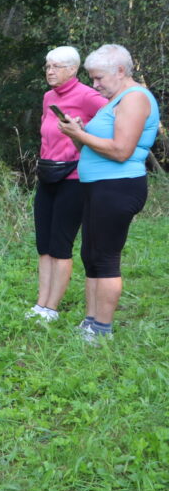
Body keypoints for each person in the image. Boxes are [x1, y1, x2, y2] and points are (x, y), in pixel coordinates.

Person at [58, 44, 160, 343]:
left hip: (118, 187)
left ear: (119, 70)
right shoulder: (114, 100)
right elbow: (91, 147)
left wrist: (81, 134)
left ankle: (102, 330)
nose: (95, 84)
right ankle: (90, 323)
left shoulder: (136, 98)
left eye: (98, 77)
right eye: (92, 78)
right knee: (90, 255)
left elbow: (121, 151)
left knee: (105, 258)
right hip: (99, 186)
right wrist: (78, 135)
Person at [28, 46, 105, 322]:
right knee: (44, 244)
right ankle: (40, 304)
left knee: (60, 244)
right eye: (48, 66)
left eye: (57, 66)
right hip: (48, 175)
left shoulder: (88, 96)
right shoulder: (49, 96)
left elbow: (115, 125)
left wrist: (84, 134)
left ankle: (52, 308)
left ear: (73, 69)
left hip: (74, 178)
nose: (50, 71)